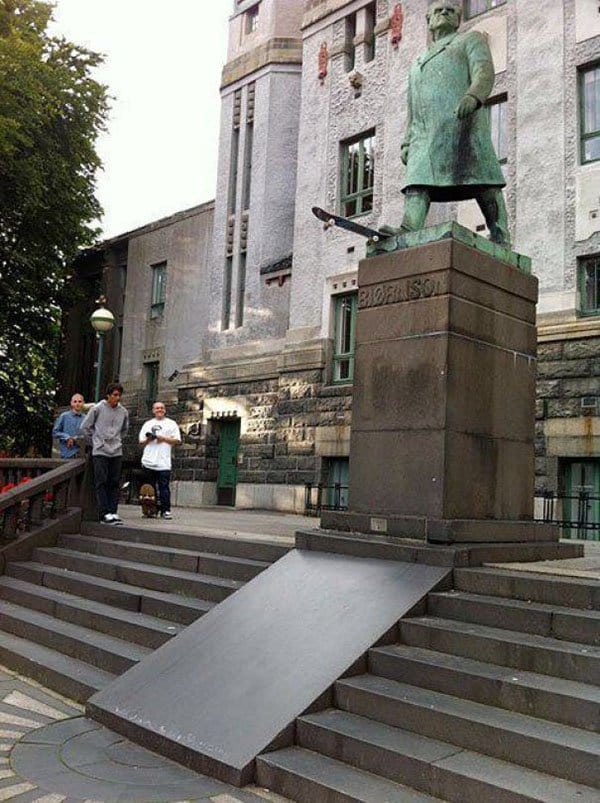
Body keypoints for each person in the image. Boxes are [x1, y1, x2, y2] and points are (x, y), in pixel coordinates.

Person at [398, 1, 510, 246]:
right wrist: (407, 141)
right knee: (416, 180)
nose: (445, 12)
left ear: (459, 19)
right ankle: (409, 226)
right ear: (428, 20)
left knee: (483, 180)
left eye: (451, 10)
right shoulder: (417, 62)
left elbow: (484, 71)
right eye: (438, 10)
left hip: (462, 124)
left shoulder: (469, 40)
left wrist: (474, 95)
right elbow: (412, 106)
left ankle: (500, 234)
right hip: (424, 135)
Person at [81, 382, 129, 525]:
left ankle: (113, 511)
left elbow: (125, 429)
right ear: (108, 395)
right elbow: (85, 427)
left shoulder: (123, 412)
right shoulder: (98, 409)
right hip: (100, 451)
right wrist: (95, 442)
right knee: (101, 481)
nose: (117, 398)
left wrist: (118, 440)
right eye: (114, 395)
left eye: (119, 395)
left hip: (116, 450)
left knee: (114, 482)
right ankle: (104, 513)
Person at [138, 401, 181, 520]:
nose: (159, 410)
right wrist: (149, 439)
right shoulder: (147, 424)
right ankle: (151, 510)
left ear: (165, 410)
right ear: (153, 410)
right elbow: (141, 442)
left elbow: (177, 440)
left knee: (164, 488)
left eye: (162, 408)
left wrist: (163, 438)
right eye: (157, 408)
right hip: (148, 461)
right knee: (150, 489)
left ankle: (165, 510)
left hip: (164, 462)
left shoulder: (171, 424)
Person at [52, 393, 86, 458]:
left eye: (80, 401)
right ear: (71, 403)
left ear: (83, 403)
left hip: (81, 453)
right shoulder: (64, 416)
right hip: (67, 453)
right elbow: (55, 432)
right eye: (75, 401)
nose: (77, 404)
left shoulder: (86, 418)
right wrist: (67, 438)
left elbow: (88, 434)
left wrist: (76, 439)